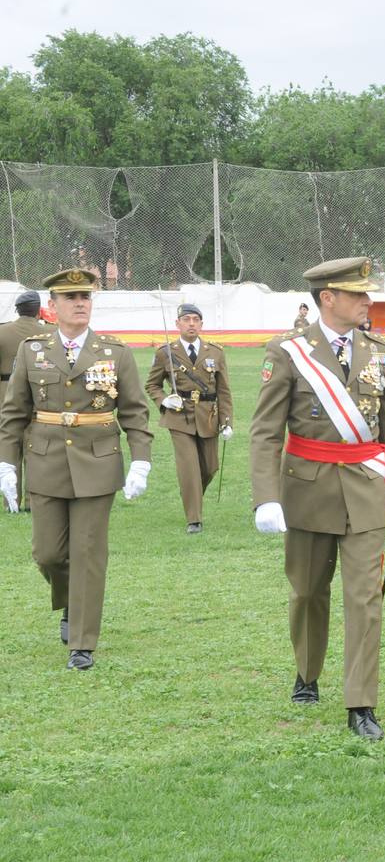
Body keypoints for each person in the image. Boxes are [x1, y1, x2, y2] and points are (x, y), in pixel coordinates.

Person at [249, 256, 385, 741]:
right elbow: (264, 433)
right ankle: (307, 670)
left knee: (365, 598)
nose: (367, 301)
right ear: (329, 298)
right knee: (306, 592)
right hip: (306, 490)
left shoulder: (379, 351)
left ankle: (360, 703)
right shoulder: (287, 352)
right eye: (358, 294)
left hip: (365, 489)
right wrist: (266, 497)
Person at [0, 268, 153, 670]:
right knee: (47, 553)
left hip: (97, 462)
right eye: (70, 297)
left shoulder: (114, 352)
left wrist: (141, 459)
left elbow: (135, 411)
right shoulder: (32, 350)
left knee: (87, 553)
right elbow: (14, 412)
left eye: (85, 296)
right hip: (46, 460)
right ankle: (70, 599)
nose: (80, 302)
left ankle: (82, 643)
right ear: (52, 307)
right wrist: (6, 463)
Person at [144, 304, 234, 533]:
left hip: (208, 416)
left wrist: (227, 421)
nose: (191, 323)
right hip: (179, 417)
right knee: (189, 468)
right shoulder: (165, 352)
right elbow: (152, 385)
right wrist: (164, 400)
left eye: (195, 319)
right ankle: (194, 519)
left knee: (210, 468)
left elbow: (224, 391)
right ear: (178, 324)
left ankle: (190, 492)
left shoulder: (215, 352)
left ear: (201, 324)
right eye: (186, 319)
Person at [0, 289, 48, 510]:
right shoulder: (51, 333)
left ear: (18, 310)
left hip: (5, 392)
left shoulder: (3, 332)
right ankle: (33, 501)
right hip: (41, 393)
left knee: (9, 446)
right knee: (36, 448)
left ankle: (11, 500)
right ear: (38, 310)